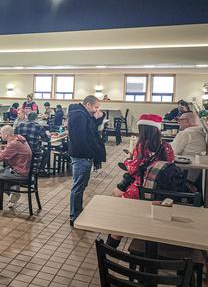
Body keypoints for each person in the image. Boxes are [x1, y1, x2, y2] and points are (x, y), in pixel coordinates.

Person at [107, 114, 175, 249]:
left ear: (143, 130)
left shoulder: (142, 146)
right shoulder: (167, 146)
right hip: (161, 190)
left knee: (119, 215)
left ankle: (110, 246)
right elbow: (170, 163)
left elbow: (132, 169)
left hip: (141, 189)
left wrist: (128, 159)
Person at [67, 95, 106, 226]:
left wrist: (99, 118)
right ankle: (75, 215)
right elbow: (81, 139)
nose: (97, 110)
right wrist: (90, 153)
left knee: (81, 186)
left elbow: (91, 129)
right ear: (88, 104)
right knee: (78, 186)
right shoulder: (79, 116)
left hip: (83, 155)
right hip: (81, 156)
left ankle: (78, 211)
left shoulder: (83, 115)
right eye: (96, 107)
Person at [0, 126, 32, 208]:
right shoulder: (19, 138)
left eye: (1, 133)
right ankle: (13, 189)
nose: (0, 135)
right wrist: (0, 146)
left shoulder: (13, 143)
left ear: (6, 134)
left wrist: (0, 150)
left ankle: (13, 193)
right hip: (24, 169)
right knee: (1, 172)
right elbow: (10, 149)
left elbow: (1, 157)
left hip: (20, 173)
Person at [171, 112, 206, 182]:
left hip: (183, 176)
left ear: (187, 121)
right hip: (195, 175)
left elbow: (171, 152)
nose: (178, 122)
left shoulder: (186, 133)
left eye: (180, 120)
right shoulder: (200, 132)